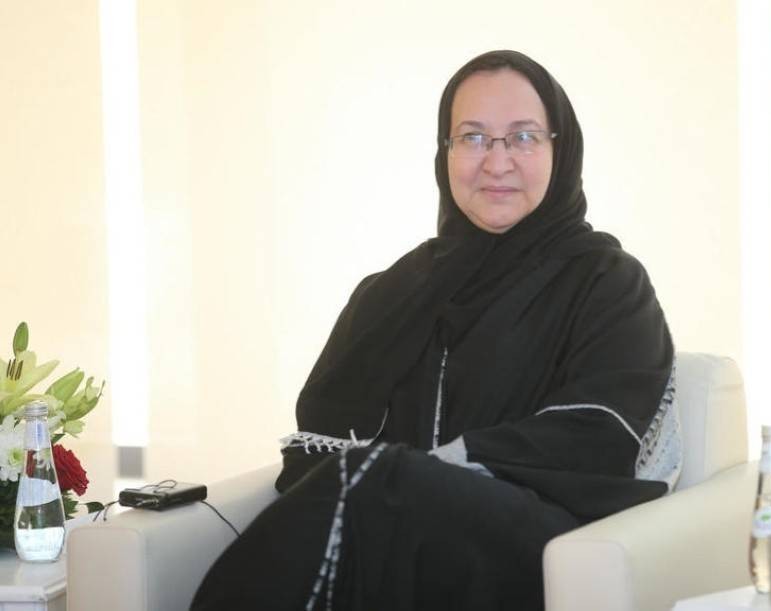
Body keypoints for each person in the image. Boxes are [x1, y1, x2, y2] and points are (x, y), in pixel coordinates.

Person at [191, 49, 680, 611]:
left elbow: (600, 434)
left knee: (379, 481)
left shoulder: (606, 281)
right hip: (392, 530)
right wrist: (398, 481)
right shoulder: (390, 294)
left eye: (523, 137)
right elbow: (318, 441)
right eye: (473, 137)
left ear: (560, 149)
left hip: (540, 547)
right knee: (375, 486)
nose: (497, 162)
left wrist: (433, 467)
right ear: (444, 153)